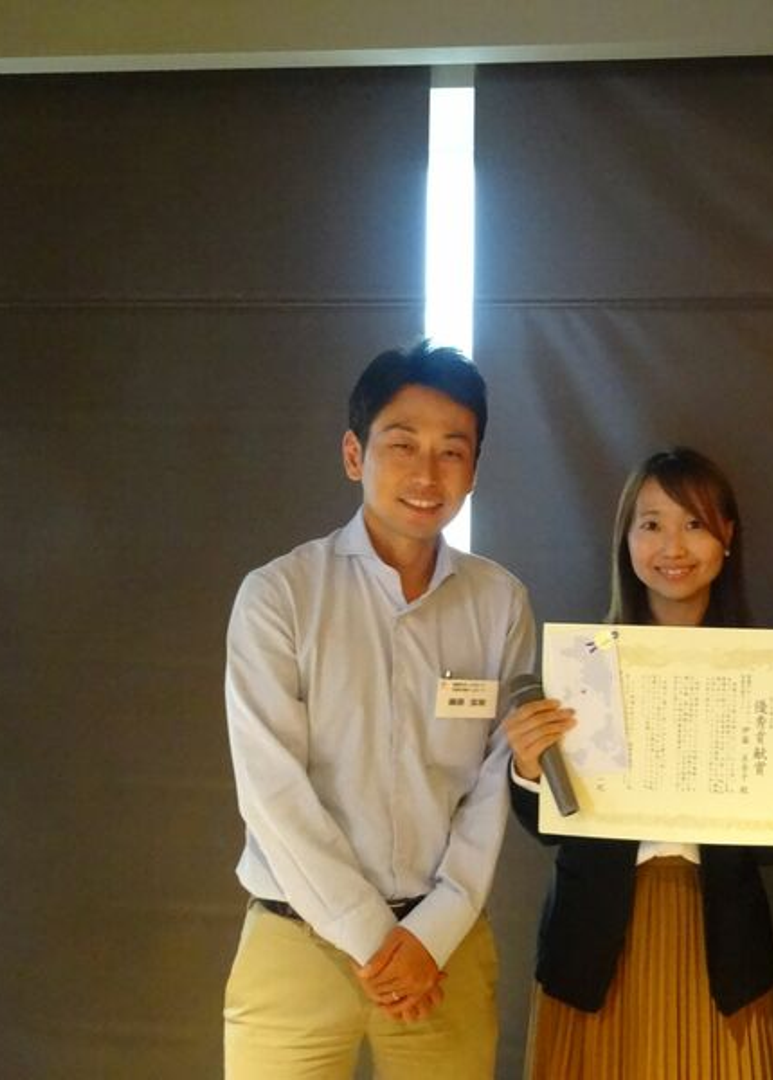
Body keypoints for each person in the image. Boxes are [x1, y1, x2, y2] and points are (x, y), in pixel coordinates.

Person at [222, 341, 535, 1079]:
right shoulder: (279, 596)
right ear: (354, 454)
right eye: (402, 444)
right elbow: (272, 790)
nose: (427, 473)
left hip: (443, 950)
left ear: (474, 470)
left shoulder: (500, 602)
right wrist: (374, 939)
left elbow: (495, 783)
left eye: (452, 451)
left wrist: (431, 933)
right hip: (298, 944)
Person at [504, 447, 773, 1080]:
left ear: (727, 537)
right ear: (626, 541)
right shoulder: (581, 665)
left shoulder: (771, 674)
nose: (673, 546)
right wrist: (528, 768)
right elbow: (548, 827)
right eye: (652, 524)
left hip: (722, 943)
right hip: (594, 944)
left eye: (695, 523)